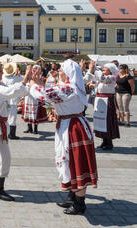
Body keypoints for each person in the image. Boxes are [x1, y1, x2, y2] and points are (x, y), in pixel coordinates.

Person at [29, 59, 98, 215]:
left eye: (61, 69)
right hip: (69, 125)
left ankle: (79, 203)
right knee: (68, 160)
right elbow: (50, 91)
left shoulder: (69, 88)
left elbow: (44, 95)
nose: (58, 71)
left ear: (68, 74)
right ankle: (72, 196)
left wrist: (33, 83)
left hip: (73, 128)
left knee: (75, 162)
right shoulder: (67, 87)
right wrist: (39, 83)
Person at [0, 62, 31, 201]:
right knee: (4, 158)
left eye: (1, 70)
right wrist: (24, 80)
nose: (2, 72)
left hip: (0, 123)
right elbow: (9, 92)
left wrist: (27, 81)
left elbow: (17, 91)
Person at [84, 61, 120, 150]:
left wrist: (95, 68)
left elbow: (102, 78)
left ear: (110, 71)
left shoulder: (111, 77)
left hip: (107, 100)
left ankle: (109, 142)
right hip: (100, 99)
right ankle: (104, 141)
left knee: (107, 121)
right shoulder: (104, 76)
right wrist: (91, 68)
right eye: (103, 69)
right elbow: (92, 77)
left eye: (105, 69)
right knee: (101, 121)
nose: (103, 70)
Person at [22, 64, 48, 134]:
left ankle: (35, 128)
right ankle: (29, 127)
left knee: (35, 113)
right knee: (27, 112)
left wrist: (36, 78)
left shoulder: (41, 77)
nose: (34, 69)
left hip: (35, 98)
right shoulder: (28, 77)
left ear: (39, 70)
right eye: (33, 68)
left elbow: (42, 84)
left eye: (36, 68)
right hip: (28, 97)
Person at [2, 62, 23, 140]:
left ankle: (5, 132)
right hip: (13, 101)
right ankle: (12, 134)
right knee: (12, 117)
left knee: (6, 116)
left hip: (5, 101)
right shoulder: (16, 78)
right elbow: (24, 79)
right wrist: (19, 73)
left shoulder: (3, 77)